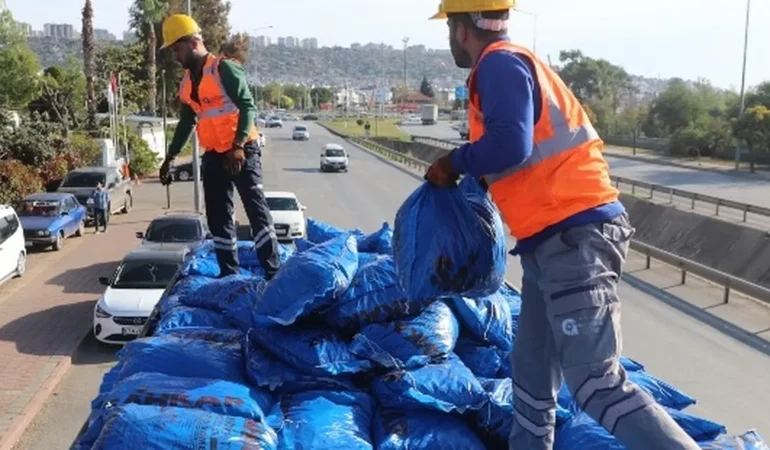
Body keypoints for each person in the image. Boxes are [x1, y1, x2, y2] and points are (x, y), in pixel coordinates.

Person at [424, 2, 700, 450]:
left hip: (575, 238)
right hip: (547, 243)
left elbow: (511, 144)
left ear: (461, 29)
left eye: (449, 27)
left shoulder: (498, 66)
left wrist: (453, 162)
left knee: (595, 383)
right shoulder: (513, 66)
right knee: (532, 380)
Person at [157, 14, 280, 279]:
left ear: (192, 43)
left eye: (177, 48)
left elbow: (248, 106)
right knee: (218, 217)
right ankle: (229, 274)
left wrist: (237, 146)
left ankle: (273, 272)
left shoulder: (224, 68)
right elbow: (186, 123)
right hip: (214, 154)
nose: (175, 56)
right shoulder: (187, 85)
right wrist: (170, 157)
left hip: (242, 150)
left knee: (255, 209)